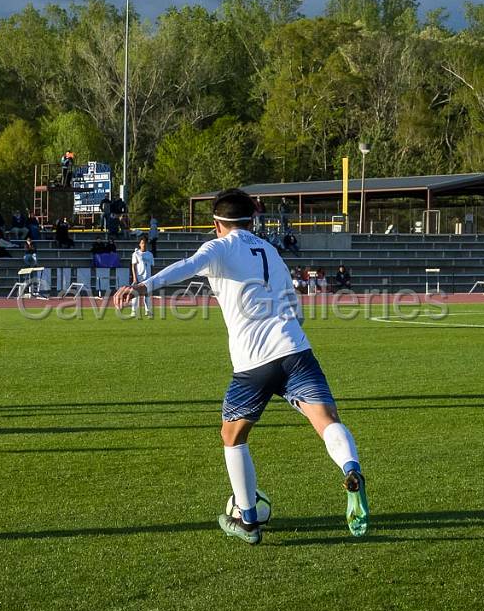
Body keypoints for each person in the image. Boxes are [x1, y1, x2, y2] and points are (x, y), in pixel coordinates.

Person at [113, 188, 369, 544]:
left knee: (232, 436)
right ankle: (351, 468)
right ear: (252, 221)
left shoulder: (220, 247)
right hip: (295, 350)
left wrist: (142, 287)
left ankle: (247, 519)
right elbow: (294, 306)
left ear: (217, 224)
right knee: (327, 421)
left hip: (253, 364)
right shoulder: (270, 250)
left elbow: (186, 267)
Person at [128, 235, 154, 318]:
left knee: (147, 295)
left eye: (145, 243)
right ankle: (134, 311)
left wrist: (152, 277)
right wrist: (135, 278)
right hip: (139, 277)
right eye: (142, 243)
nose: (144, 245)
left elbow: (152, 266)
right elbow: (133, 266)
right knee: (135, 295)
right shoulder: (136, 254)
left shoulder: (150, 254)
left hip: (148, 277)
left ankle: (148, 311)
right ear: (139, 244)